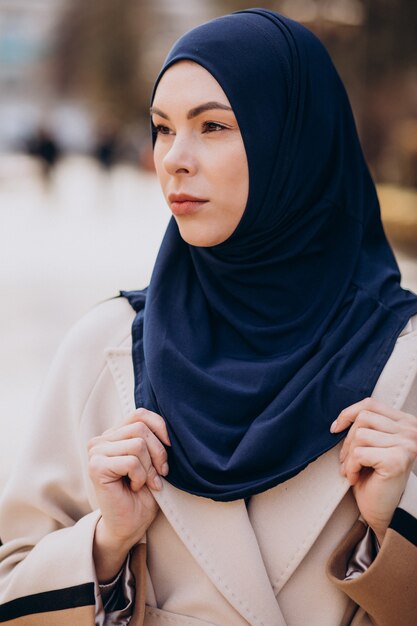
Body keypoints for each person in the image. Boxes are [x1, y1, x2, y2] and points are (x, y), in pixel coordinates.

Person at [0, 8, 416, 626]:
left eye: (213, 126)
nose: (173, 159)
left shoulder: (405, 361)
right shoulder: (108, 347)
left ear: (294, 140)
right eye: (162, 129)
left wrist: (396, 528)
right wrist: (104, 545)